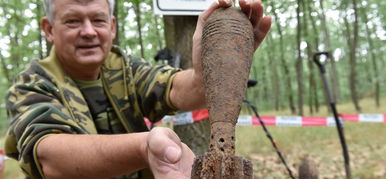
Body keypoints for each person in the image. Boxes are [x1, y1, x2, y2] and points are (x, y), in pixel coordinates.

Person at [4, 0, 271, 178]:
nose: (88, 32)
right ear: (49, 29)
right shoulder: (31, 84)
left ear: (112, 26)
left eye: (97, 20)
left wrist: (210, 70)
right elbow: (50, 156)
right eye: (73, 21)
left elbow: (182, 89)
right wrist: (145, 146)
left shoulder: (125, 69)